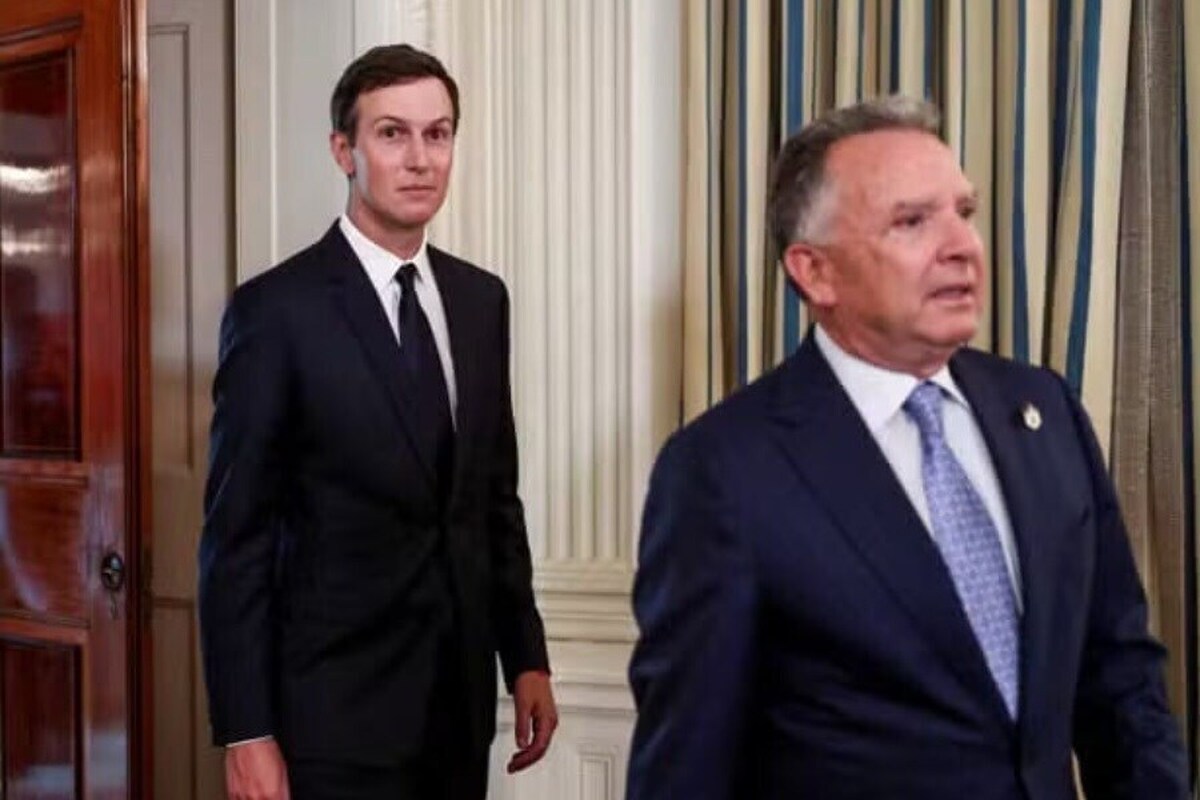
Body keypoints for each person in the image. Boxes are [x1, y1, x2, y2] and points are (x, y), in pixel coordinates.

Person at [626, 96, 1188, 799]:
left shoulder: (1044, 411)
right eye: (912, 221)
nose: (962, 245)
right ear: (814, 271)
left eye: (964, 211)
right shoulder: (723, 470)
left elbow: (1121, 679)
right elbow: (687, 766)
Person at [198, 44, 557, 800]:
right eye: (393, 133)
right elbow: (236, 541)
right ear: (344, 151)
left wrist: (526, 656)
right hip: (329, 723)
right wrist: (246, 730)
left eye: (438, 134)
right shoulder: (275, 312)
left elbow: (494, 500)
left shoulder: (481, 300)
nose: (421, 158)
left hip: (458, 713)